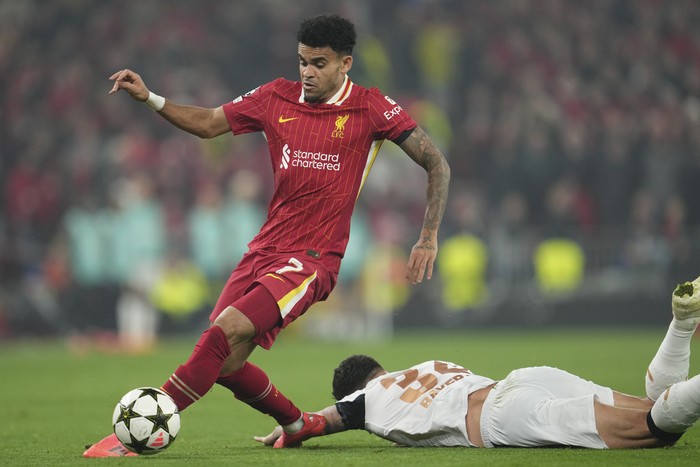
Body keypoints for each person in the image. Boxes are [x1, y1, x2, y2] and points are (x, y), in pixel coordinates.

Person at [83, 14, 450, 458]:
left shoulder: (371, 108)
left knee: (223, 332)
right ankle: (299, 423)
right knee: (226, 362)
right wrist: (152, 99)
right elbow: (207, 123)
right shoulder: (275, 96)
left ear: (345, 64)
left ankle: (138, 432)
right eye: (302, 61)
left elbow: (437, 163)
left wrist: (427, 236)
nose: (307, 72)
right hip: (263, 250)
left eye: (319, 63)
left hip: (313, 258)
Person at [256, 277, 700, 449]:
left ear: (356, 386)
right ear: (381, 366)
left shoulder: (366, 399)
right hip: (525, 378)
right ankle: (681, 328)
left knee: (655, 433)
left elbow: (322, 421)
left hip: (502, 417)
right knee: (651, 405)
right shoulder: (430, 363)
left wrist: (292, 426)